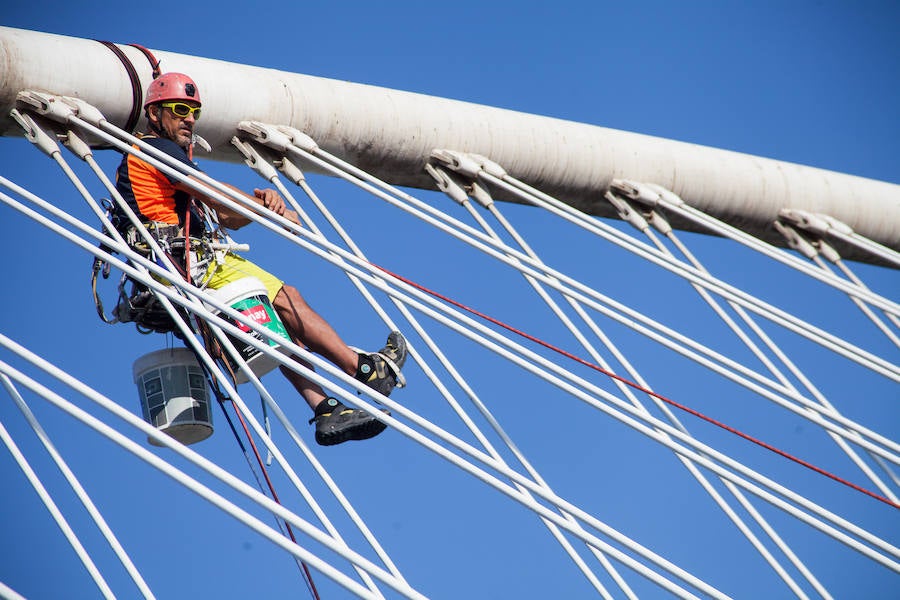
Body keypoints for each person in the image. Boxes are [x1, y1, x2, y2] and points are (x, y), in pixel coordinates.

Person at [114, 72, 406, 446]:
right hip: (187, 264)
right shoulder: (153, 149)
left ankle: (326, 411)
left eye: (194, 112)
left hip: (178, 271)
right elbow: (213, 191)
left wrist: (263, 207)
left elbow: (226, 216)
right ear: (155, 114)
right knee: (288, 298)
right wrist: (270, 211)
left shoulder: (158, 160)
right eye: (179, 109)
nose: (189, 118)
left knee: (278, 332)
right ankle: (365, 370)